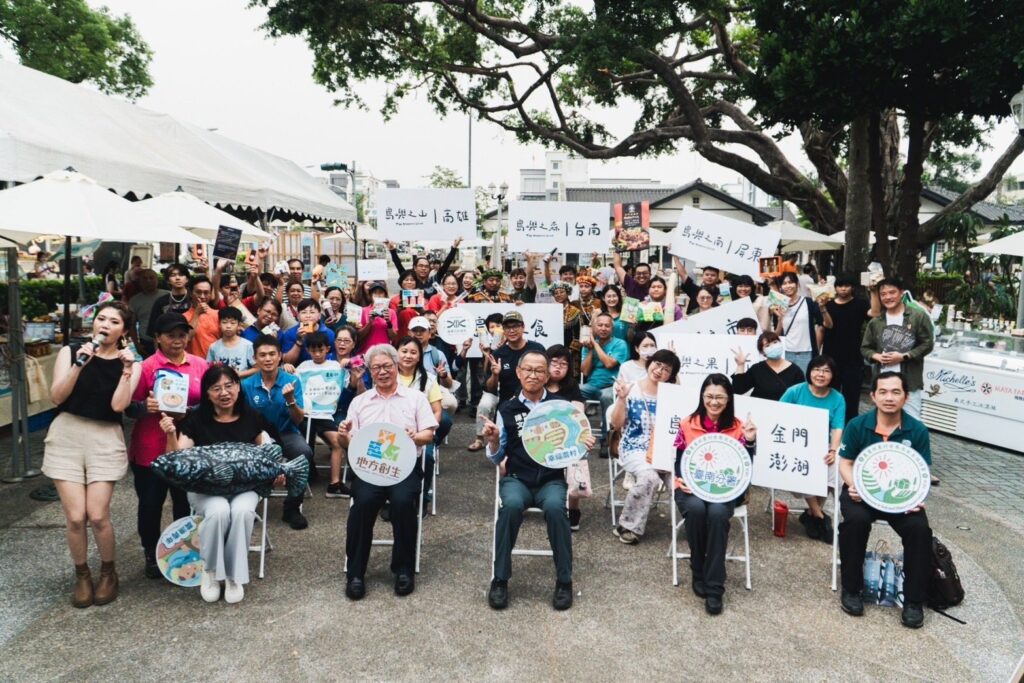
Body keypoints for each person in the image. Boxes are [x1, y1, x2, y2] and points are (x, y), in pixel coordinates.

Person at [44, 301, 140, 607]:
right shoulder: (71, 352)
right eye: (102, 319)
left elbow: (118, 407)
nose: (106, 325)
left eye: (114, 321)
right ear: (93, 323)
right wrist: (79, 364)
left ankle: (108, 572)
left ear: (124, 331)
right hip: (67, 434)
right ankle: (82, 574)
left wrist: (126, 370)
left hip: (104, 439)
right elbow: (57, 396)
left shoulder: (132, 363)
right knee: (75, 517)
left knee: (97, 515)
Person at [482, 351, 594, 610]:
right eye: (528, 370)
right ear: (519, 373)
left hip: (551, 480)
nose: (533, 375)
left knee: (557, 509)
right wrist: (494, 440)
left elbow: (574, 449)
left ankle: (564, 581)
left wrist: (584, 445)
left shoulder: (560, 407)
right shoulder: (507, 408)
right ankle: (500, 579)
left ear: (547, 375)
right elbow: (497, 456)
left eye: (539, 371)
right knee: (509, 507)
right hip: (517, 479)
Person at [159, 366, 277, 604]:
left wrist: (277, 470)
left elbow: (268, 450)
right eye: (216, 388)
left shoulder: (252, 417)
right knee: (219, 511)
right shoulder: (195, 419)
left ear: (238, 386)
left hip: (245, 486)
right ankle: (211, 572)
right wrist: (171, 435)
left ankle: (234, 575)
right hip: (205, 489)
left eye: (229, 385)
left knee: (242, 511)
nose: (224, 392)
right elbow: (179, 460)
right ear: (207, 393)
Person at [338, 344, 438, 600]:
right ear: (369, 372)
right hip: (369, 469)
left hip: (405, 469)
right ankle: (356, 573)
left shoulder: (415, 398)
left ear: (397, 366)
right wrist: (343, 436)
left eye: (387, 366)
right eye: (376, 368)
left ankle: (403, 569)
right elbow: (348, 443)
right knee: (362, 503)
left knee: (404, 502)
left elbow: (429, 432)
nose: (382, 372)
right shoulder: (360, 402)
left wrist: (416, 436)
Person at [837, 372, 934, 629]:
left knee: (919, 529)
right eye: (883, 392)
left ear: (906, 396)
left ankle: (913, 601)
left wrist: (918, 497)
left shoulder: (918, 430)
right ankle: (851, 589)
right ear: (873, 396)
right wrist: (852, 484)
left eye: (895, 392)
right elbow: (845, 462)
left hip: (899, 497)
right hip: (862, 492)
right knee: (855, 522)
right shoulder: (857, 425)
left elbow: (922, 472)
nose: (889, 398)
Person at [128, 313, 210, 579]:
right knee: (150, 504)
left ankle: (181, 553)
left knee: (183, 504)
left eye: (182, 335)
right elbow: (127, 407)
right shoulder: (147, 367)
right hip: (150, 448)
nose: (178, 340)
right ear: (158, 338)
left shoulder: (199, 365)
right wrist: (145, 407)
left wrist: (190, 411)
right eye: (171, 335)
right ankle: (151, 553)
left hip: (186, 448)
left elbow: (211, 403)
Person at [673, 373, 757, 615]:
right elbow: (680, 461)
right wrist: (682, 480)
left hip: (725, 489)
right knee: (697, 510)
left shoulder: (740, 426)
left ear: (729, 399)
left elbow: (745, 466)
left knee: (719, 515)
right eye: (709, 396)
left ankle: (714, 586)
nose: (714, 402)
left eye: (720, 397)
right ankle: (698, 567)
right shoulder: (688, 423)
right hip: (692, 487)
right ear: (702, 397)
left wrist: (750, 441)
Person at [608, 349, 681, 544]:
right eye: (657, 364)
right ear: (650, 363)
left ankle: (696, 524)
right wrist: (622, 399)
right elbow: (616, 424)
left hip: (664, 450)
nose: (659, 370)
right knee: (649, 477)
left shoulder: (672, 395)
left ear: (671, 376)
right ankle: (629, 525)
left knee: (682, 482)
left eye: (666, 369)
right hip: (634, 447)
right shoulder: (631, 389)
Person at [241, 335, 313, 530]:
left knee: (304, 452)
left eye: (272, 354)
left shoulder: (292, 380)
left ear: (280, 356)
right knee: (243, 456)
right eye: (262, 355)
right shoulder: (246, 385)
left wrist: (290, 400)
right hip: (257, 437)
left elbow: (298, 420)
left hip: (287, 433)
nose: (267, 359)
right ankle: (248, 504)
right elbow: (243, 420)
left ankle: (292, 507)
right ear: (255, 358)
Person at [780, 355, 846, 541]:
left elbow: (838, 426)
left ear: (833, 375)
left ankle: (812, 514)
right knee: (808, 466)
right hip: (795, 443)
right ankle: (818, 515)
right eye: (817, 369)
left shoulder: (837, 398)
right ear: (810, 371)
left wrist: (833, 450)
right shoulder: (795, 391)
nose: (821, 374)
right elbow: (778, 415)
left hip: (824, 445)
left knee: (835, 470)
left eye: (826, 371)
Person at [468, 312, 545, 451]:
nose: (512, 330)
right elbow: (490, 387)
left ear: (523, 327)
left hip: (534, 399)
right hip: (508, 402)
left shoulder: (537, 349)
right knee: (509, 444)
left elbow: (545, 375)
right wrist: (495, 374)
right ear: (503, 330)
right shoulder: (498, 354)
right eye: (507, 327)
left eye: (515, 326)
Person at [861, 277, 935, 420]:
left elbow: (927, 344)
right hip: (882, 380)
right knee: (883, 421)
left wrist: (904, 356)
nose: (888, 297)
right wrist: (876, 356)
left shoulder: (917, 316)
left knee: (911, 421)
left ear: (901, 293)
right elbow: (865, 348)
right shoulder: (876, 322)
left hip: (909, 381)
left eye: (892, 292)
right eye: (883, 294)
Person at [295, 332, 351, 499]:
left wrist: (350, 367)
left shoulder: (337, 366)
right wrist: (288, 367)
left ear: (328, 349)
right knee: (305, 448)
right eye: (313, 350)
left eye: (321, 350)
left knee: (338, 442)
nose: (317, 354)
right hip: (305, 415)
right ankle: (301, 481)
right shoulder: (303, 367)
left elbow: (351, 384)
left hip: (326, 416)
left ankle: (335, 484)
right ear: (308, 350)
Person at [821, 272, 876, 423]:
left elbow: (875, 313)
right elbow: (827, 325)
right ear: (835, 287)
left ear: (852, 287)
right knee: (829, 393)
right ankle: (828, 425)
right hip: (831, 357)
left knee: (851, 396)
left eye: (846, 286)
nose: (843, 289)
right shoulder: (829, 304)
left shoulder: (860, 303)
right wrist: (823, 308)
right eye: (840, 286)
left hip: (853, 357)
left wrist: (873, 291)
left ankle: (850, 428)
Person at [545, 344, 585, 530]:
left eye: (564, 364)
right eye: (554, 362)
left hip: (566, 436)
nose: (558, 367)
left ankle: (573, 507)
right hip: (540, 438)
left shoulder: (571, 387)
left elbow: (579, 415)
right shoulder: (536, 384)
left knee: (578, 454)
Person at [580, 312, 630, 453]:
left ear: (612, 328)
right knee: (572, 391)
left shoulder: (620, 344)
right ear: (595, 327)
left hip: (611, 386)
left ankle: (606, 441)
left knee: (607, 397)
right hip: (591, 386)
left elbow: (609, 364)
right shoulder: (588, 346)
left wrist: (595, 345)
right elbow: (585, 372)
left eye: (607, 326)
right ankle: (577, 436)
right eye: (600, 325)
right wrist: (590, 350)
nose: (603, 328)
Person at [770, 271, 824, 374]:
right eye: (784, 283)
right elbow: (776, 334)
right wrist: (780, 318)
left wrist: (816, 348)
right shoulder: (778, 304)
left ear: (797, 284)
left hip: (806, 353)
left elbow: (822, 324)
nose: (788, 286)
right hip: (785, 352)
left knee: (804, 384)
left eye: (790, 282)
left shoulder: (809, 302)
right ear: (781, 287)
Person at [732, 331, 805, 400]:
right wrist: (740, 365)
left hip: (785, 411)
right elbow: (738, 390)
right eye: (767, 345)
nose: (773, 346)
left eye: (775, 342)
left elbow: (801, 396)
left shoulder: (795, 371)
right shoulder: (757, 369)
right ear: (762, 352)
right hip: (760, 410)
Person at [385, 238, 461, 297]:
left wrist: (454, 247)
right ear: (414, 267)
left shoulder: (434, 280)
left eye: (426, 266)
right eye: (421, 266)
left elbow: (446, 265)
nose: (424, 268)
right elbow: (399, 265)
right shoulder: (410, 282)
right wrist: (392, 250)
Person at [281, 298, 337, 365]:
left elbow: (335, 357)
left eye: (312, 312)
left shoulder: (329, 333)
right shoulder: (290, 333)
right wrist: (299, 341)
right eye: (304, 312)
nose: (308, 316)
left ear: (319, 316)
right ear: (298, 316)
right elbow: (288, 362)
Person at [206, 307, 256, 378]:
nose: (228, 326)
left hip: (241, 386)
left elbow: (258, 368)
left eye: (232, 323)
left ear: (239, 325)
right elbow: (208, 368)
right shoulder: (213, 347)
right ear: (219, 324)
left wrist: (240, 374)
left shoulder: (248, 345)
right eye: (224, 322)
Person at [128, 269, 168, 357]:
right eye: (145, 278)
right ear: (140, 282)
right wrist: (137, 344)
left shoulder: (168, 296)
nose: (148, 281)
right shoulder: (134, 300)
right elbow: (132, 324)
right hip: (146, 342)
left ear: (157, 280)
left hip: (168, 340)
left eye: (151, 278)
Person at [146, 264, 192, 341]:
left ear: (187, 279)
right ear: (168, 280)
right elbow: (154, 331)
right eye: (173, 275)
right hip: (169, 344)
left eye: (181, 275)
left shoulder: (194, 299)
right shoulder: (161, 302)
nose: (177, 278)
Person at [184, 275, 221, 359]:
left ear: (211, 293)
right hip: (194, 364)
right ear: (190, 293)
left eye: (206, 292)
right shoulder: (183, 317)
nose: (202, 296)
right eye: (198, 292)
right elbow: (187, 338)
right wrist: (196, 314)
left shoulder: (218, 314)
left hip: (216, 364)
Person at [356, 282, 398, 354]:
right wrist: (369, 322)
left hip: (384, 352)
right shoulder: (363, 311)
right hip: (366, 352)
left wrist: (388, 322)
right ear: (370, 296)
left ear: (385, 295)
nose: (378, 296)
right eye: (375, 293)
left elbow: (393, 337)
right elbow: (358, 336)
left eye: (381, 293)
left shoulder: (391, 312)